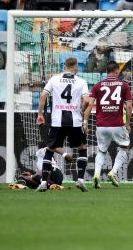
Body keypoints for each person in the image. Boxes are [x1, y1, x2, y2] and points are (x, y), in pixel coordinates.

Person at [36, 57, 90, 192]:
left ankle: (43, 183)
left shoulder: (54, 79)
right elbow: (88, 101)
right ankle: (80, 180)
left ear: (64, 66)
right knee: (82, 148)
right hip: (75, 122)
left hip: (57, 121)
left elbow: (43, 96)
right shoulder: (81, 81)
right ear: (76, 67)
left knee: (50, 150)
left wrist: (40, 114)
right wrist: (82, 110)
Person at [83, 61, 132, 188]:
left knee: (102, 151)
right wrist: (127, 123)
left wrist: (85, 122)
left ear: (106, 71)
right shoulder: (124, 85)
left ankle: (97, 175)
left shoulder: (97, 85)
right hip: (117, 124)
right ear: (116, 71)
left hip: (101, 125)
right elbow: (129, 106)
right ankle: (113, 172)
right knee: (125, 146)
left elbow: (89, 104)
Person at [8, 147, 72, 190]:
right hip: (53, 179)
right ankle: (21, 185)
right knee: (23, 176)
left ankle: (50, 184)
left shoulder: (40, 152)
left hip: (54, 172)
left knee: (36, 175)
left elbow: (53, 147)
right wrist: (31, 175)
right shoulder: (39, 162)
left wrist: (65, 154)